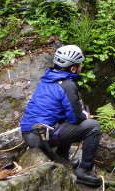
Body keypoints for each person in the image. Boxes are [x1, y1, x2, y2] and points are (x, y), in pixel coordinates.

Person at [20, 45, 102, 187]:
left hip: (29, 134)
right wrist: (85, 116)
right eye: (79, 64)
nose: (81, 66)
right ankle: (83, 171)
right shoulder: (67, 85)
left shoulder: (47, 79)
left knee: (63, 121)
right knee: (93, 127)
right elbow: (75, 118)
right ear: (73, 68)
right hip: (43, 136)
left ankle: (63, 159)